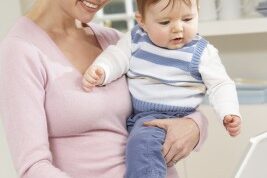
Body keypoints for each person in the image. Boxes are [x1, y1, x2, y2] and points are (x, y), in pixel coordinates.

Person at [0, 0, 209, 178]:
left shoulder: (114, 41)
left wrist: (195, 125)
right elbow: (33, 168)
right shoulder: (20, 50)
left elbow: (170, 98)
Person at [82, 0, 242, 177]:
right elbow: (117, 57)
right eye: (165, 22)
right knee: (140, 146)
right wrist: (102, 70)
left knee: (144, 145)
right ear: (142, 21)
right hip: (141, 116)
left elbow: (220, 84)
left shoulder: (201, 51)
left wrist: (229, 112)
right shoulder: (136, 38)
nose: (178, 28)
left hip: (167, 118)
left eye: (187, 19)